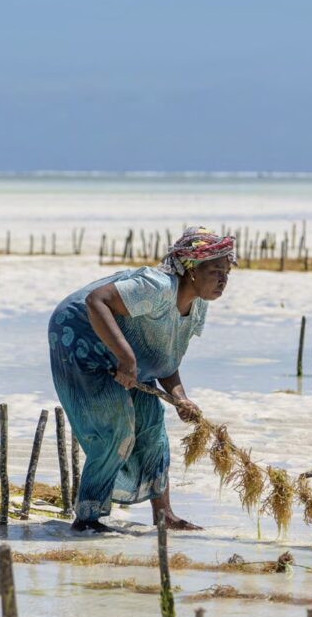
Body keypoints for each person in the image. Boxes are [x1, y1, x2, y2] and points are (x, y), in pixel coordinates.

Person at [48, 226, 236, 532]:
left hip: (124, 350)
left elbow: (165, 359)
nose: (223, 279)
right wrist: (127, 359)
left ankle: (165, 516)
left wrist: (180, 398)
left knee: (152, 428)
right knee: (116, 428)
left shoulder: (197, 307)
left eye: (227, 272)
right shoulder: (157, 286)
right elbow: (96, 301)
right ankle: (87, 517)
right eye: (215, 270)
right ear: (190, 270)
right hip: (80, 336)